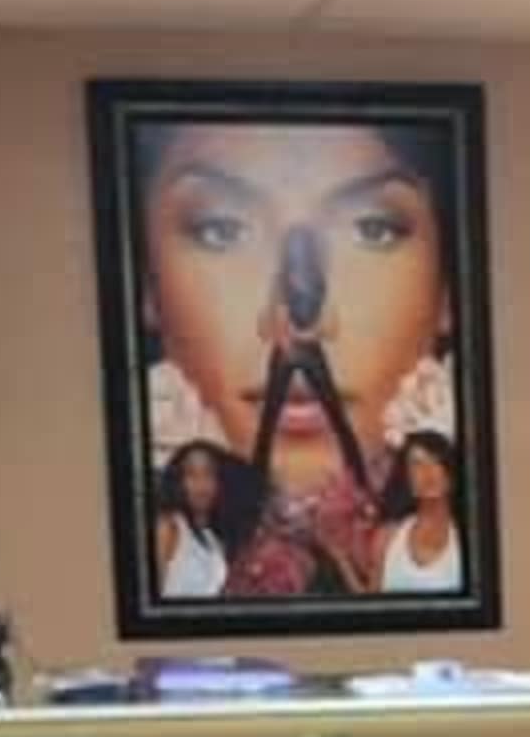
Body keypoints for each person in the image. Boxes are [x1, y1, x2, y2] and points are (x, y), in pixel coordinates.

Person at [131, 115, 462, 601]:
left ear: (448, 295)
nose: (300, 317)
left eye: (374, 229)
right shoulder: (182, 534)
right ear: (149, 291)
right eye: (221, 229)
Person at [152, 441, 253, 602]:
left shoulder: (218, 538)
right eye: (191, 474)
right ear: (178, 481)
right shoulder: (168, 527)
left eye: (209, 473)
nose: (201, 483)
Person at [373, 432, 466, 595]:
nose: (428, 472)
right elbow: (370, 605)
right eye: (417, 464)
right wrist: (340, 558)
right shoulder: (386, 538)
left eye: (436, 461)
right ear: (406, 477)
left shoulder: (471, 538)